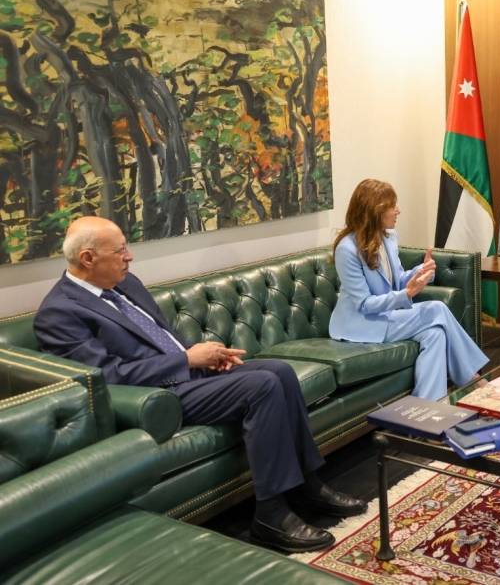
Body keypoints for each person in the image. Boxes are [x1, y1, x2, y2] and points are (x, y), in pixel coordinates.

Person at [33, 216, 363, 554]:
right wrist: (186, 360)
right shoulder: (59, 313)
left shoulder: (126, 283)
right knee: (262, 385)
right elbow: (107, 378)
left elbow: (161, 337)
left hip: (187, 373)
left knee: (280, 371)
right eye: (119, 251)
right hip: (156, 396)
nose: (129, 256)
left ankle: (308, 485)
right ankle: (270, 515)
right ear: (88, 258)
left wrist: (207, 355)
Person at [329, 179, 488, 401]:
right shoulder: (347, 249)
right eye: (392, 206)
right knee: (436, 309)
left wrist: (421, 272)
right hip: (361, 324)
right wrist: (407, 294)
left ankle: (428, 407)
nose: (398, 211)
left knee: (435, 334)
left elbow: (398, 281)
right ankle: (474, 381)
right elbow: (364, 304)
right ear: (375, 211)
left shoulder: (388, 237)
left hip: (387, 316)